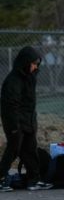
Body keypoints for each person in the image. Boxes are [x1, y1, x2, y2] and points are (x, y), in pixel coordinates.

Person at [0, 46, 53, 192]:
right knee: (13, 150)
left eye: (37, 64)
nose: (36, 67)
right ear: (25, 62)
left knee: (30, 151)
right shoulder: (13, 80)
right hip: (16, 123)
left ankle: (33, 180)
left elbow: (29, 104)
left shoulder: (29, 78)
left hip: (28, 122)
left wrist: (32, 123)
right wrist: (14, 126)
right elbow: (10, 106)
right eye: (34, 64)